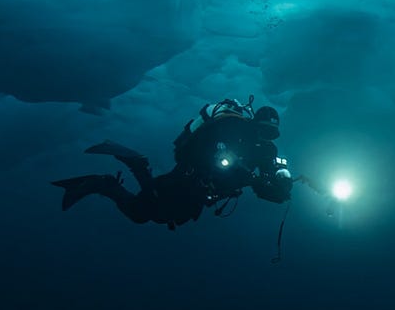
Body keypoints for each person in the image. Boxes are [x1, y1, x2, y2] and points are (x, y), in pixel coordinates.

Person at [51, 98, 294, 229]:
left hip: (204, 195)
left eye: (271, 133)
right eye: (263, 129)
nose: (265, 136)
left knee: (148, 214)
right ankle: (132, 165)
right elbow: (209, 154)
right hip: (188, 179)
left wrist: (280, 189)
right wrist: (238, 171)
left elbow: (264, 185)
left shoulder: (266, 150)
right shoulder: (233, 128)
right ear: (254, 125)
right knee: (143, 211)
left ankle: (104, 181)